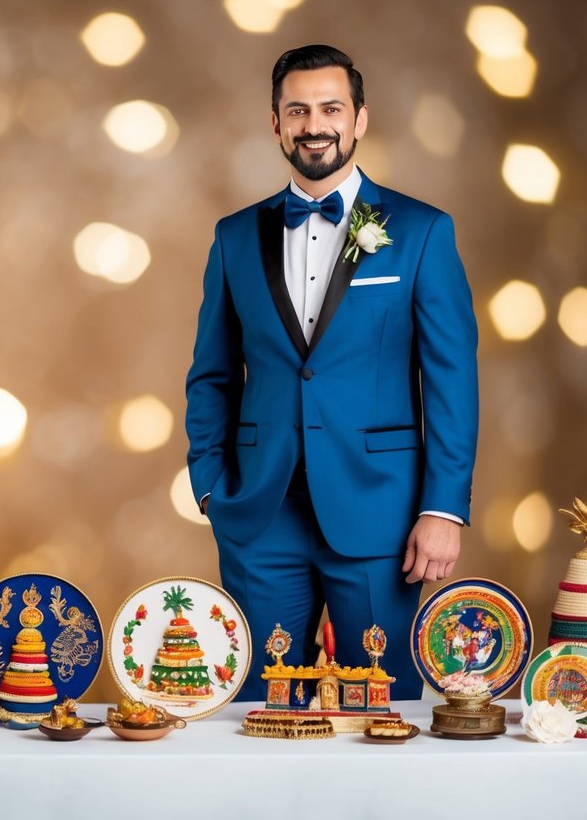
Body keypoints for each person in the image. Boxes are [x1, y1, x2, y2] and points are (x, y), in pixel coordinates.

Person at [185, 44, 478, 700]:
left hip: (382, 513)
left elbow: (451, 377)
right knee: (258, 713)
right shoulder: (234, 236)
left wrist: (443, 508)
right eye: (297, 110)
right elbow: (210, 374)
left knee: (386, 708)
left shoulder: (422, 230)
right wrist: (209, 486)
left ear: (359, 119)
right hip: (260, 514)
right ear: (275, 123)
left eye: (329, 108)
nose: (313, 123)